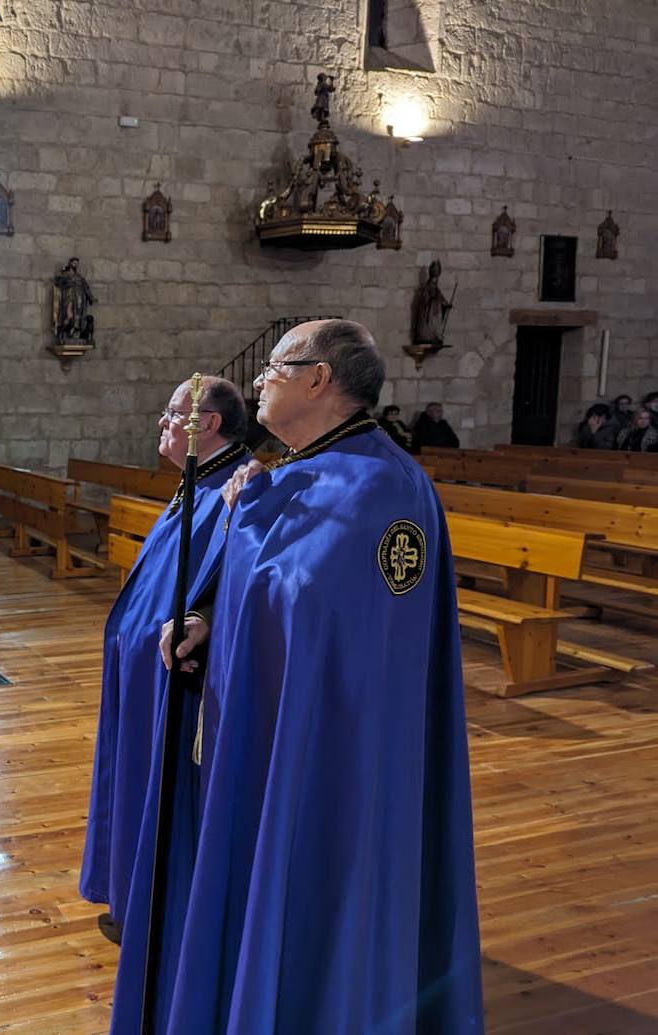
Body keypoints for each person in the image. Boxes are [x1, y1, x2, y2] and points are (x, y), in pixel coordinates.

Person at [109, 320, 482, 1034]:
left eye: (276, 367)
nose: (259, 380)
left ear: (319, 380)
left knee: (316, 894)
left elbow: (328, 619)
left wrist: (251, 519)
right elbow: (279, 592)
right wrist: (211, 618)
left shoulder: (386, 489)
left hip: (333, 755)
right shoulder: (299, 472)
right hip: (270, 731)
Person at [79, 377, 249, 943]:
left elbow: (233, 588)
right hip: (142, 670)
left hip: (175, 675)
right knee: (133, 781)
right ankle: (134, 898)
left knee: (162, 791)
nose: (162, 423)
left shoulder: (237, 491)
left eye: (173, 414)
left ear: (208, 425)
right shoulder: (197, 483)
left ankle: (159, 911)